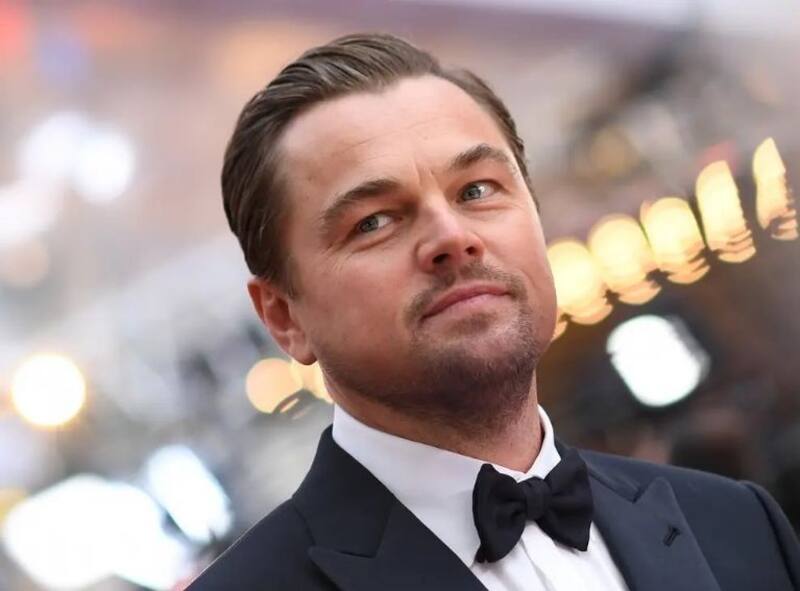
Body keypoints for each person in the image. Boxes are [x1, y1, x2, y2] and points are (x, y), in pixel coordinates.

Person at [188, 33, 800, 590]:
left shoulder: (737, 524)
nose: (452, 237)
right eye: (373, 222)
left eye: (477, 190)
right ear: (284, 317)